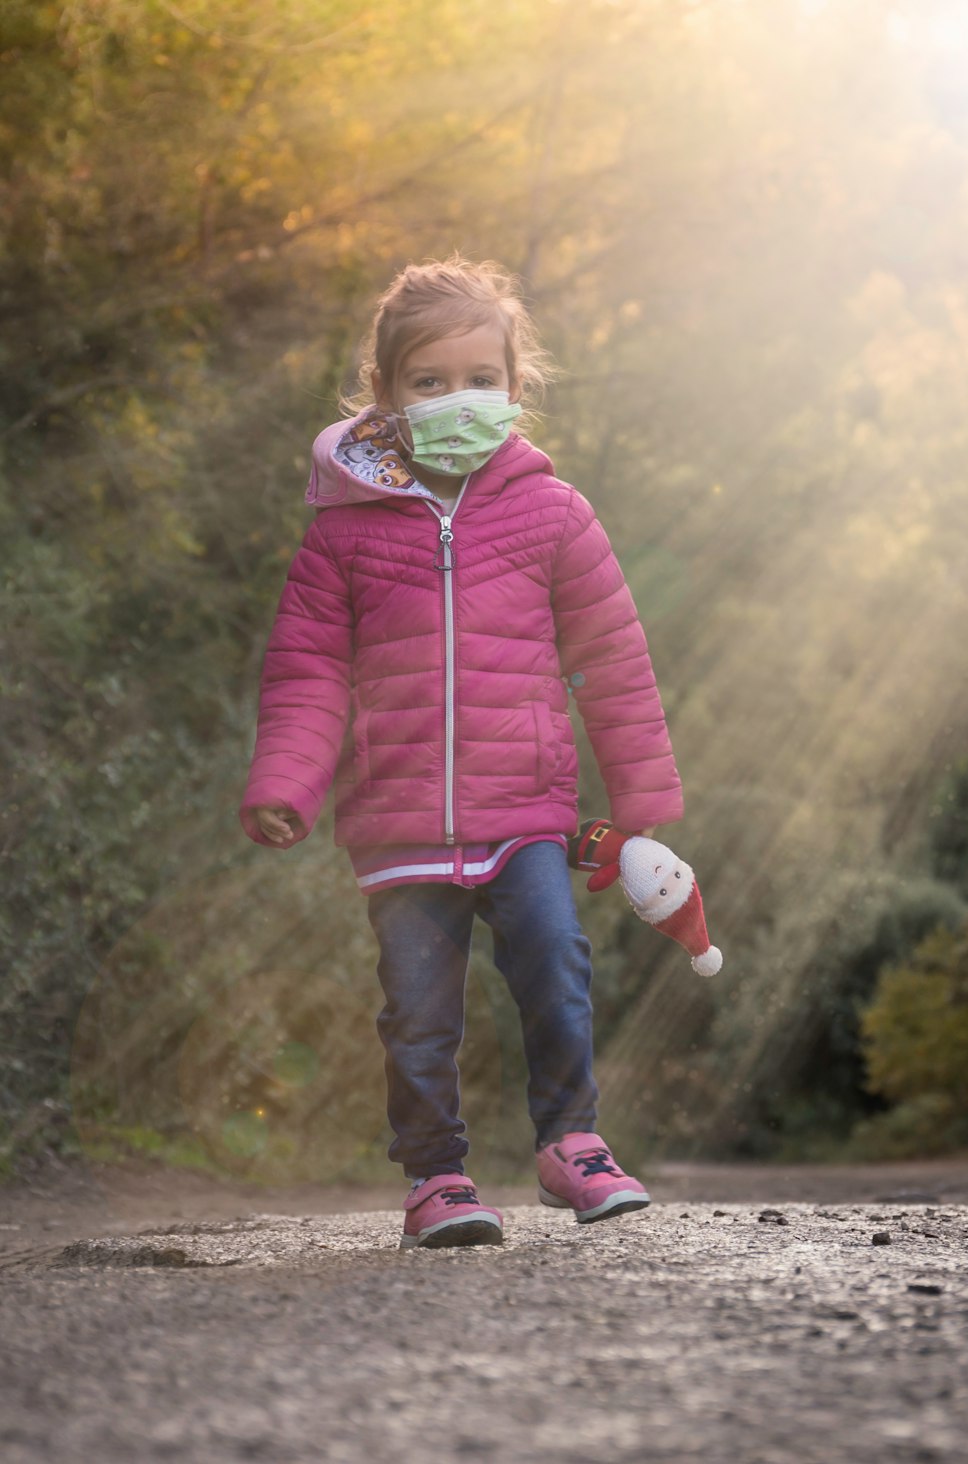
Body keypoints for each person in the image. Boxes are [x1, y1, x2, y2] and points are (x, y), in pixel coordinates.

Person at [240, 257, 683, 1249]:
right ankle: (438, 1176)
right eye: (428, 383)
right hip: (396, 819)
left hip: (524, 807)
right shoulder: (343, 536)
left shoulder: (554, 515)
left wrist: (641, 796)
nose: (458, 399)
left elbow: (613, 659)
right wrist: (285, 782)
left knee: (555, 963)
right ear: (385, 398)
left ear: (515, 390)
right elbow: (308, 671)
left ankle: (574, 1143)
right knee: (418, 1011)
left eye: (481, 378)